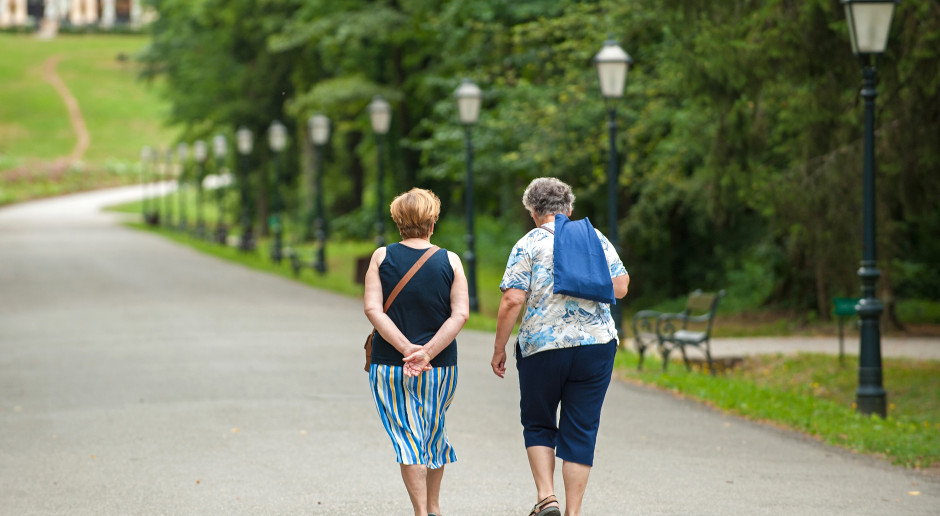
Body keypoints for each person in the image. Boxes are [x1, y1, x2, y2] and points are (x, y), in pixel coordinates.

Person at [491, 177, 629, 516]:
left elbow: (512, 300)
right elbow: (622, 286)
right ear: (569, 209)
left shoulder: (528, 243)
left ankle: (546, 497)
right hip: (596, 345)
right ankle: (573, 512)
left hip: (543, 347)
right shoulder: (594, 238)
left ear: (533, 212)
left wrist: (499, 349)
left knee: (539, 422)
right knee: (581, 428)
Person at [363, 188, 469, 516]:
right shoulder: (451, 260)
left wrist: (406, 348)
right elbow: (460, 314)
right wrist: (428, 352)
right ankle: (433, 508)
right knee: (433, 433)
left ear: (398, 222)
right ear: (432, 223)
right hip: (441, 368)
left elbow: (373, 309)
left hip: (390, 365)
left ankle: (422, 513)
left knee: (408, 438)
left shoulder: (381, 257)